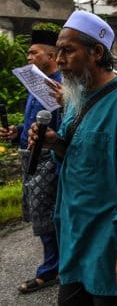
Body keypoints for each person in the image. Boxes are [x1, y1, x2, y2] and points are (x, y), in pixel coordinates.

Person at [28, 10, 117, 304]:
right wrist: (54, 143)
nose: (59, 60)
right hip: (76, 238)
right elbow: (78, 158)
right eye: (58, 51)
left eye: (68, 51)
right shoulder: (76, 98)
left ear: (96, 52)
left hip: (112, 243)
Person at [0, 29, 62, 294]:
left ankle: (51, 270)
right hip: (31, 157)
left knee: (48, 216)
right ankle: (58, 265)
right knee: (42, 215)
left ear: (51, 54)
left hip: (49, 159)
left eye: (33, 52)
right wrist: (17, 131)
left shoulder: (59, 86)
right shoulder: (36, 84)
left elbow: (61, 127)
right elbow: (33, 122)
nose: (28, 57)